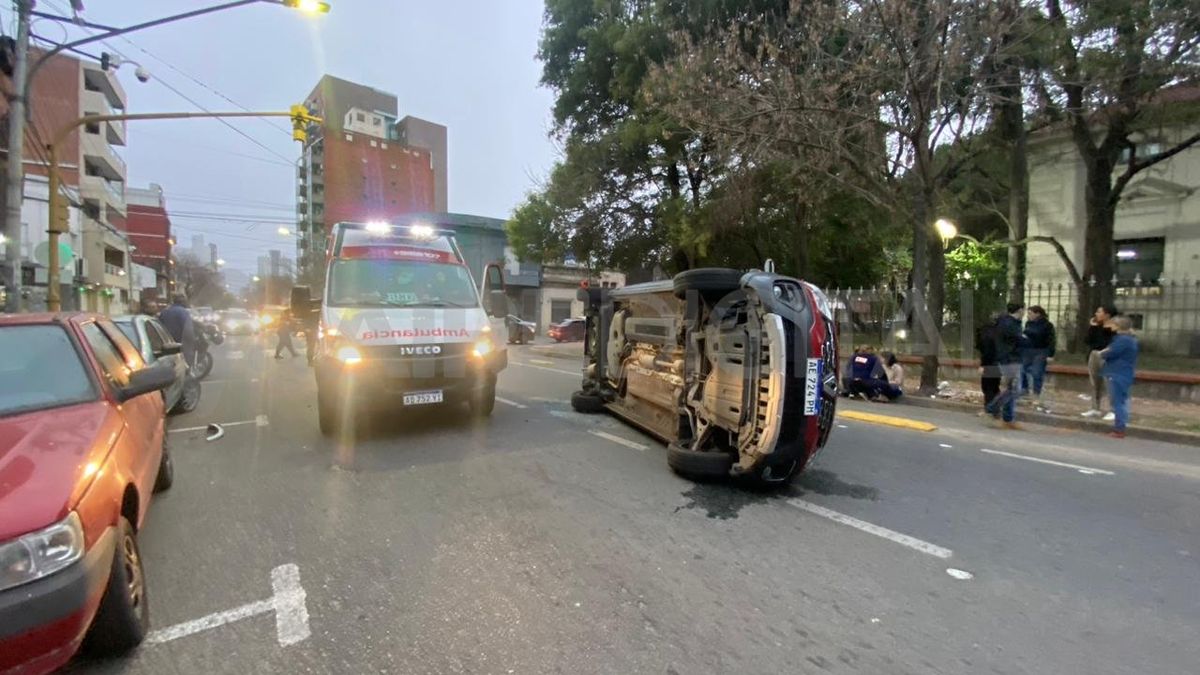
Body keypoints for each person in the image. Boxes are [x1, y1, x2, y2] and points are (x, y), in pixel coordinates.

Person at [985, 302, 1025, 428]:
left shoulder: (1007, 322)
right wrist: (1025, 339)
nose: (1024, 313)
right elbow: (1016, 340)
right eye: (1023, 310)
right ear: (1020, 310)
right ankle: (991, 408)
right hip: (1010, 359)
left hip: (1009, 358)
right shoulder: (1009, 324)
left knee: (1010, 388)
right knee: (1015, 389)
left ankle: (1008, 419)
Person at [1100, 315, 1138, 438]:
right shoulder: (1129, 339)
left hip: (1117, 372)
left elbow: (1109, 353)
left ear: (1118, 326)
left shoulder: (1123, 340)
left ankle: (1119, 428)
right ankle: (1121, 425)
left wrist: (1102, 353)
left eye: (1113, 324)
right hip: (1124, 372)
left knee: (1117, 401)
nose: (1110, 326)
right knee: (1121, 400)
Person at [1082, 305, 1119, 420]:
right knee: (1095, 383)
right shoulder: (1096, 326)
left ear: (1107, 314)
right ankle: (1095, 408)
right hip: (1094, 355)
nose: (1096, 314)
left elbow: (1109, 342)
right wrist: (1093, 327)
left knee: (1109, 384)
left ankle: (1113, 410)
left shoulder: (1114, 327)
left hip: (1107, 356)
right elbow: (1088, 341)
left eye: (1099, 312)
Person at [1020, 305, 1056, 411]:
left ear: (1038, 314)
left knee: (1037, 372)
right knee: (1022, 369)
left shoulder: (1047, 325)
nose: (1028, 315)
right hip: (1028, 350)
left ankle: (1036, 392)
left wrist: (1050, 354)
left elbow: (1051, 340)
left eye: (1030, 313)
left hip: (1041, 350)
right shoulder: (1028, 323)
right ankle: (1024, 389)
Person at [158, 293, 196, 369]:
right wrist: (192, 341)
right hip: (178, 344)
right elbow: (188, 330)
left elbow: (159, 325)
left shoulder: (165, 311)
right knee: (182, 366)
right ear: (183, 301)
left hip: (165, 343)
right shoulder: (183, 312)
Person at [975, 312, 1002, 413]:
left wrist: (983, 365)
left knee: (988, 387)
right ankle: (995, 408)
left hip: (990, 363)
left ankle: (990, 409)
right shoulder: (1001, 331)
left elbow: (986, 350)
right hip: (999, 362)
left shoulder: (985, 332)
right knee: (994, 386)